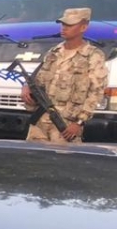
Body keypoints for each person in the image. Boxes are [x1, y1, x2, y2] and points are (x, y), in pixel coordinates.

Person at [21, 7, 109, 143]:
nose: (64, 28)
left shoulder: (93, 56)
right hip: (40, 121)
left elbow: (96, 93)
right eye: (63, 24)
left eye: (70, 25)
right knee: (33, 162)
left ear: (83, 27)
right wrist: (26, 88)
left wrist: (79, 122)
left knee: (63, 162)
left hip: (66, 125)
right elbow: (38, 80)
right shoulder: (53, 53)